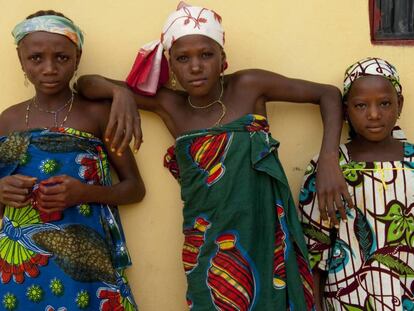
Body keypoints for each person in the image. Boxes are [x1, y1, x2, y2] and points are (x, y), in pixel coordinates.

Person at [77, 3, 351, 310]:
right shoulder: (171, 105)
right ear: (172, 66)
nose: (195, 66)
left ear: (223, 59)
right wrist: (121, 94)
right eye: (183, 58)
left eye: (206, 55)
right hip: (209, 249)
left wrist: (329, 158)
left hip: (266, 234)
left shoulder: (249, 86)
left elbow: (327, 94)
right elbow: (85, 84)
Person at [0, 10, 145, 311]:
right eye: (36, 58)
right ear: (20, 59)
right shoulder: (8, 120)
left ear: (77, 58)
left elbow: (134, 188)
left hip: (86, 262)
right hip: (22, 265)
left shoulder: (96, 115)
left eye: (62, 58)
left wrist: (86, 193)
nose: (49, 68)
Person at [298, 57, 414, 310]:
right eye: (361, 105)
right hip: (347, 300)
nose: (374, 114)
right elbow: (315, 248)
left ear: (400, 104)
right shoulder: (328, 169)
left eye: (385, 103)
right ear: (345, 110)